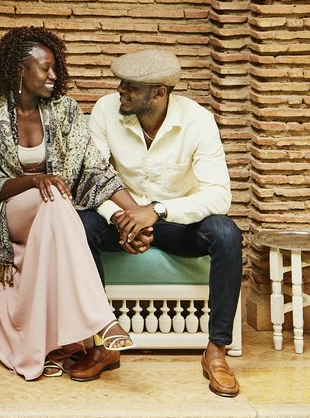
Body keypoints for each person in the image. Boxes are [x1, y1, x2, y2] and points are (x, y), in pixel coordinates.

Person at [0, 27, 144, 382]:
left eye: (55, 68)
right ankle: (101, 320)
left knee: (56, 198)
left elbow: (94, 168)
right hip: (10, 213)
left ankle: (97, 322)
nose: (54, 76)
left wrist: (136, 213)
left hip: (55, 211)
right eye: (45, 68)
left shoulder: (64, 111)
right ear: (20, 70)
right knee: (53, 195)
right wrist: (35, 180)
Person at [79, 47, 243, 398]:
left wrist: (157, 211)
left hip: (176, 222)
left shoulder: (198, 120)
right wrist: (122, 218)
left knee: (227, 233)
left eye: (131, 87)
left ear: (160, 93)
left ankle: (216, 352)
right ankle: (103, 343)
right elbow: (92, 179)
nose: (120, 91)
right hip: (120, 219)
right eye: (121, 83)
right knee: (81, 224)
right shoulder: (106, 110)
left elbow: (219, 196)